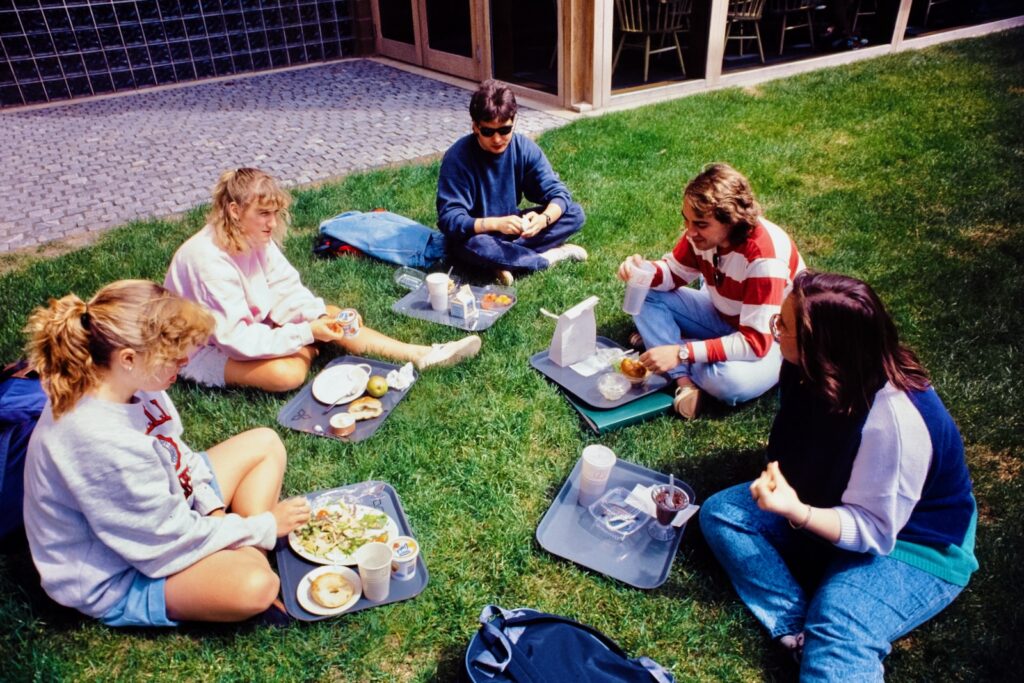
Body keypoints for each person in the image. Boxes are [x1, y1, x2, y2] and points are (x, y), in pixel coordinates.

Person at [699, 272, 978, 680]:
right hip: (828, 499)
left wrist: (797, 511)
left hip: (913, 543)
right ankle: (797, 631)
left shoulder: (896, 423)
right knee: (723, 513)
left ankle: (827, 633)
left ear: (823, 347)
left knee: (840, 621)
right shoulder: (809, 369)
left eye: (783, 326)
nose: (773, 331)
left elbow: (874, 531)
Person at [22, 280, 312, 627]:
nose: (186, 362)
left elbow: (180, 456)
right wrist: (261, 526)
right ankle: (245, 560)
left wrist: (217, 513)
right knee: (257, 585)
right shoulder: (97, 441)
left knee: (265, 443)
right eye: (174, 357)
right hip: (122, 571)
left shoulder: (134, 383)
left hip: (163, 509)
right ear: (128, 358)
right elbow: (163, 543)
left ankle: (242, 552)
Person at [165, 168, 481, 392]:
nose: (272, 223)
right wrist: (306, 333)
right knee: (287, 375)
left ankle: (422, 354)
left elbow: (286, 288)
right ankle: (311, 346)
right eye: (263, 214)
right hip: (204, 347)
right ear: (234, 211)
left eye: (274, 213)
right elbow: (236, 341)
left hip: (254, 325)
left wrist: (317, 318)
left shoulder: (255, 237)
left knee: (333, 317)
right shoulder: (207, 261)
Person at [617, 163, 805, 419]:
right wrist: (643, 271)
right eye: (686, 220)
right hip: (725, 314)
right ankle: (683, 381)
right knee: (645, 292)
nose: (690, 231)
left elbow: (755, 343)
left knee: (729, 383)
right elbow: (674, 273)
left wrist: (680, 351)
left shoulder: (763, 259)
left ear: (731, 220)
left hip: (773, 341)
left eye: (701, 224)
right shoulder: (701, 237)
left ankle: (665, 345)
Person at [436, 79, 588, 285]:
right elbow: (450, 219)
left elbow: (559, 193)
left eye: (504, 130)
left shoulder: (523, 148)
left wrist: (543, 220)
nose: (497, 139)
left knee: (574, 213)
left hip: (514, 228)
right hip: (477, 234)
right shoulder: (457, 157)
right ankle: (548, 258)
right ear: (475, 126)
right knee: (476, 247)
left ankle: (503, 261)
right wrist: (497, 223)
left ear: (514, 121)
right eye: (488, 131)